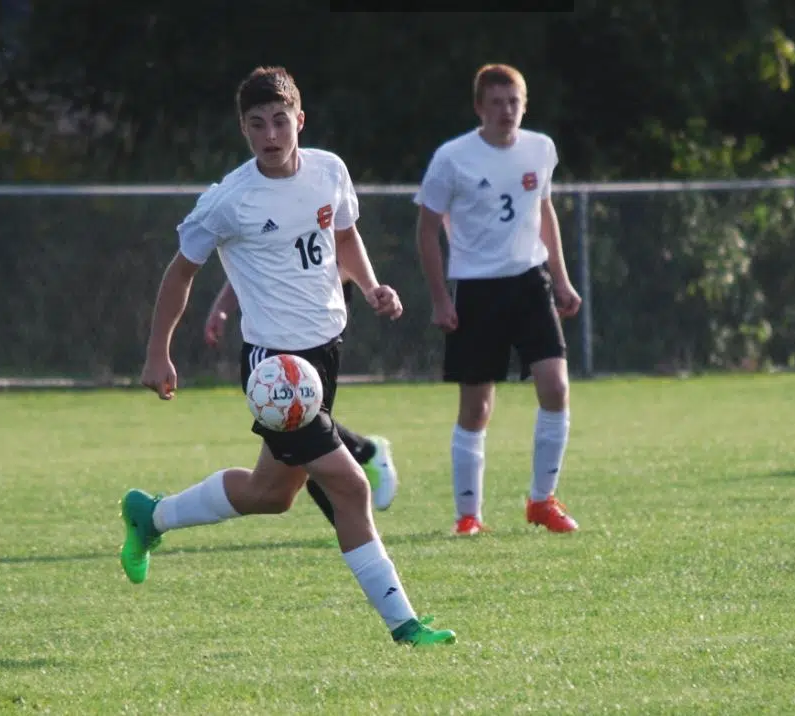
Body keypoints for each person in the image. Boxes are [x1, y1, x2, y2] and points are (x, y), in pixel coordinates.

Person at [123, 66, 456, 646]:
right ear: (244, 131)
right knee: (350, 487)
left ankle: (149, 517)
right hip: (276, 367)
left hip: (326, 354)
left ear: (299, 120)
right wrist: (159, 352)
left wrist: (371, 284)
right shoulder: (230, 200)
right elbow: (180, 274)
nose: (271, 134)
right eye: (257, 125)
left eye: (280, 121)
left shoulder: (329, 171)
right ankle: (404, 625)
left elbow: (343, 237)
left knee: (271, 495)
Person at [414, 64, 582, 536]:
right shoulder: (452, 158)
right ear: (479, 108)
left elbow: (544, 211)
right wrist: (440, 298)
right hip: (477, 290)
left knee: (556, 388)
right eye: (496, 102)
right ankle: (469, 515)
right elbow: (427, 229)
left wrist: (561, 279)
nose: (506, 111)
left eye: (514, 102)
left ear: (524, 104)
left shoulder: (540, 149)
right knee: (477, 408)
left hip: (530, 284)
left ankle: (542, 500)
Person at [203, 271, 398, 525]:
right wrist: (223, 306)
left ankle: (363, 453)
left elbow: (343, 244)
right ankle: (360, 454)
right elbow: (252, 255)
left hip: (313, 322)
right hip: (279, 326)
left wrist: (367, 286)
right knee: (282, 480)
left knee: (302, 435)